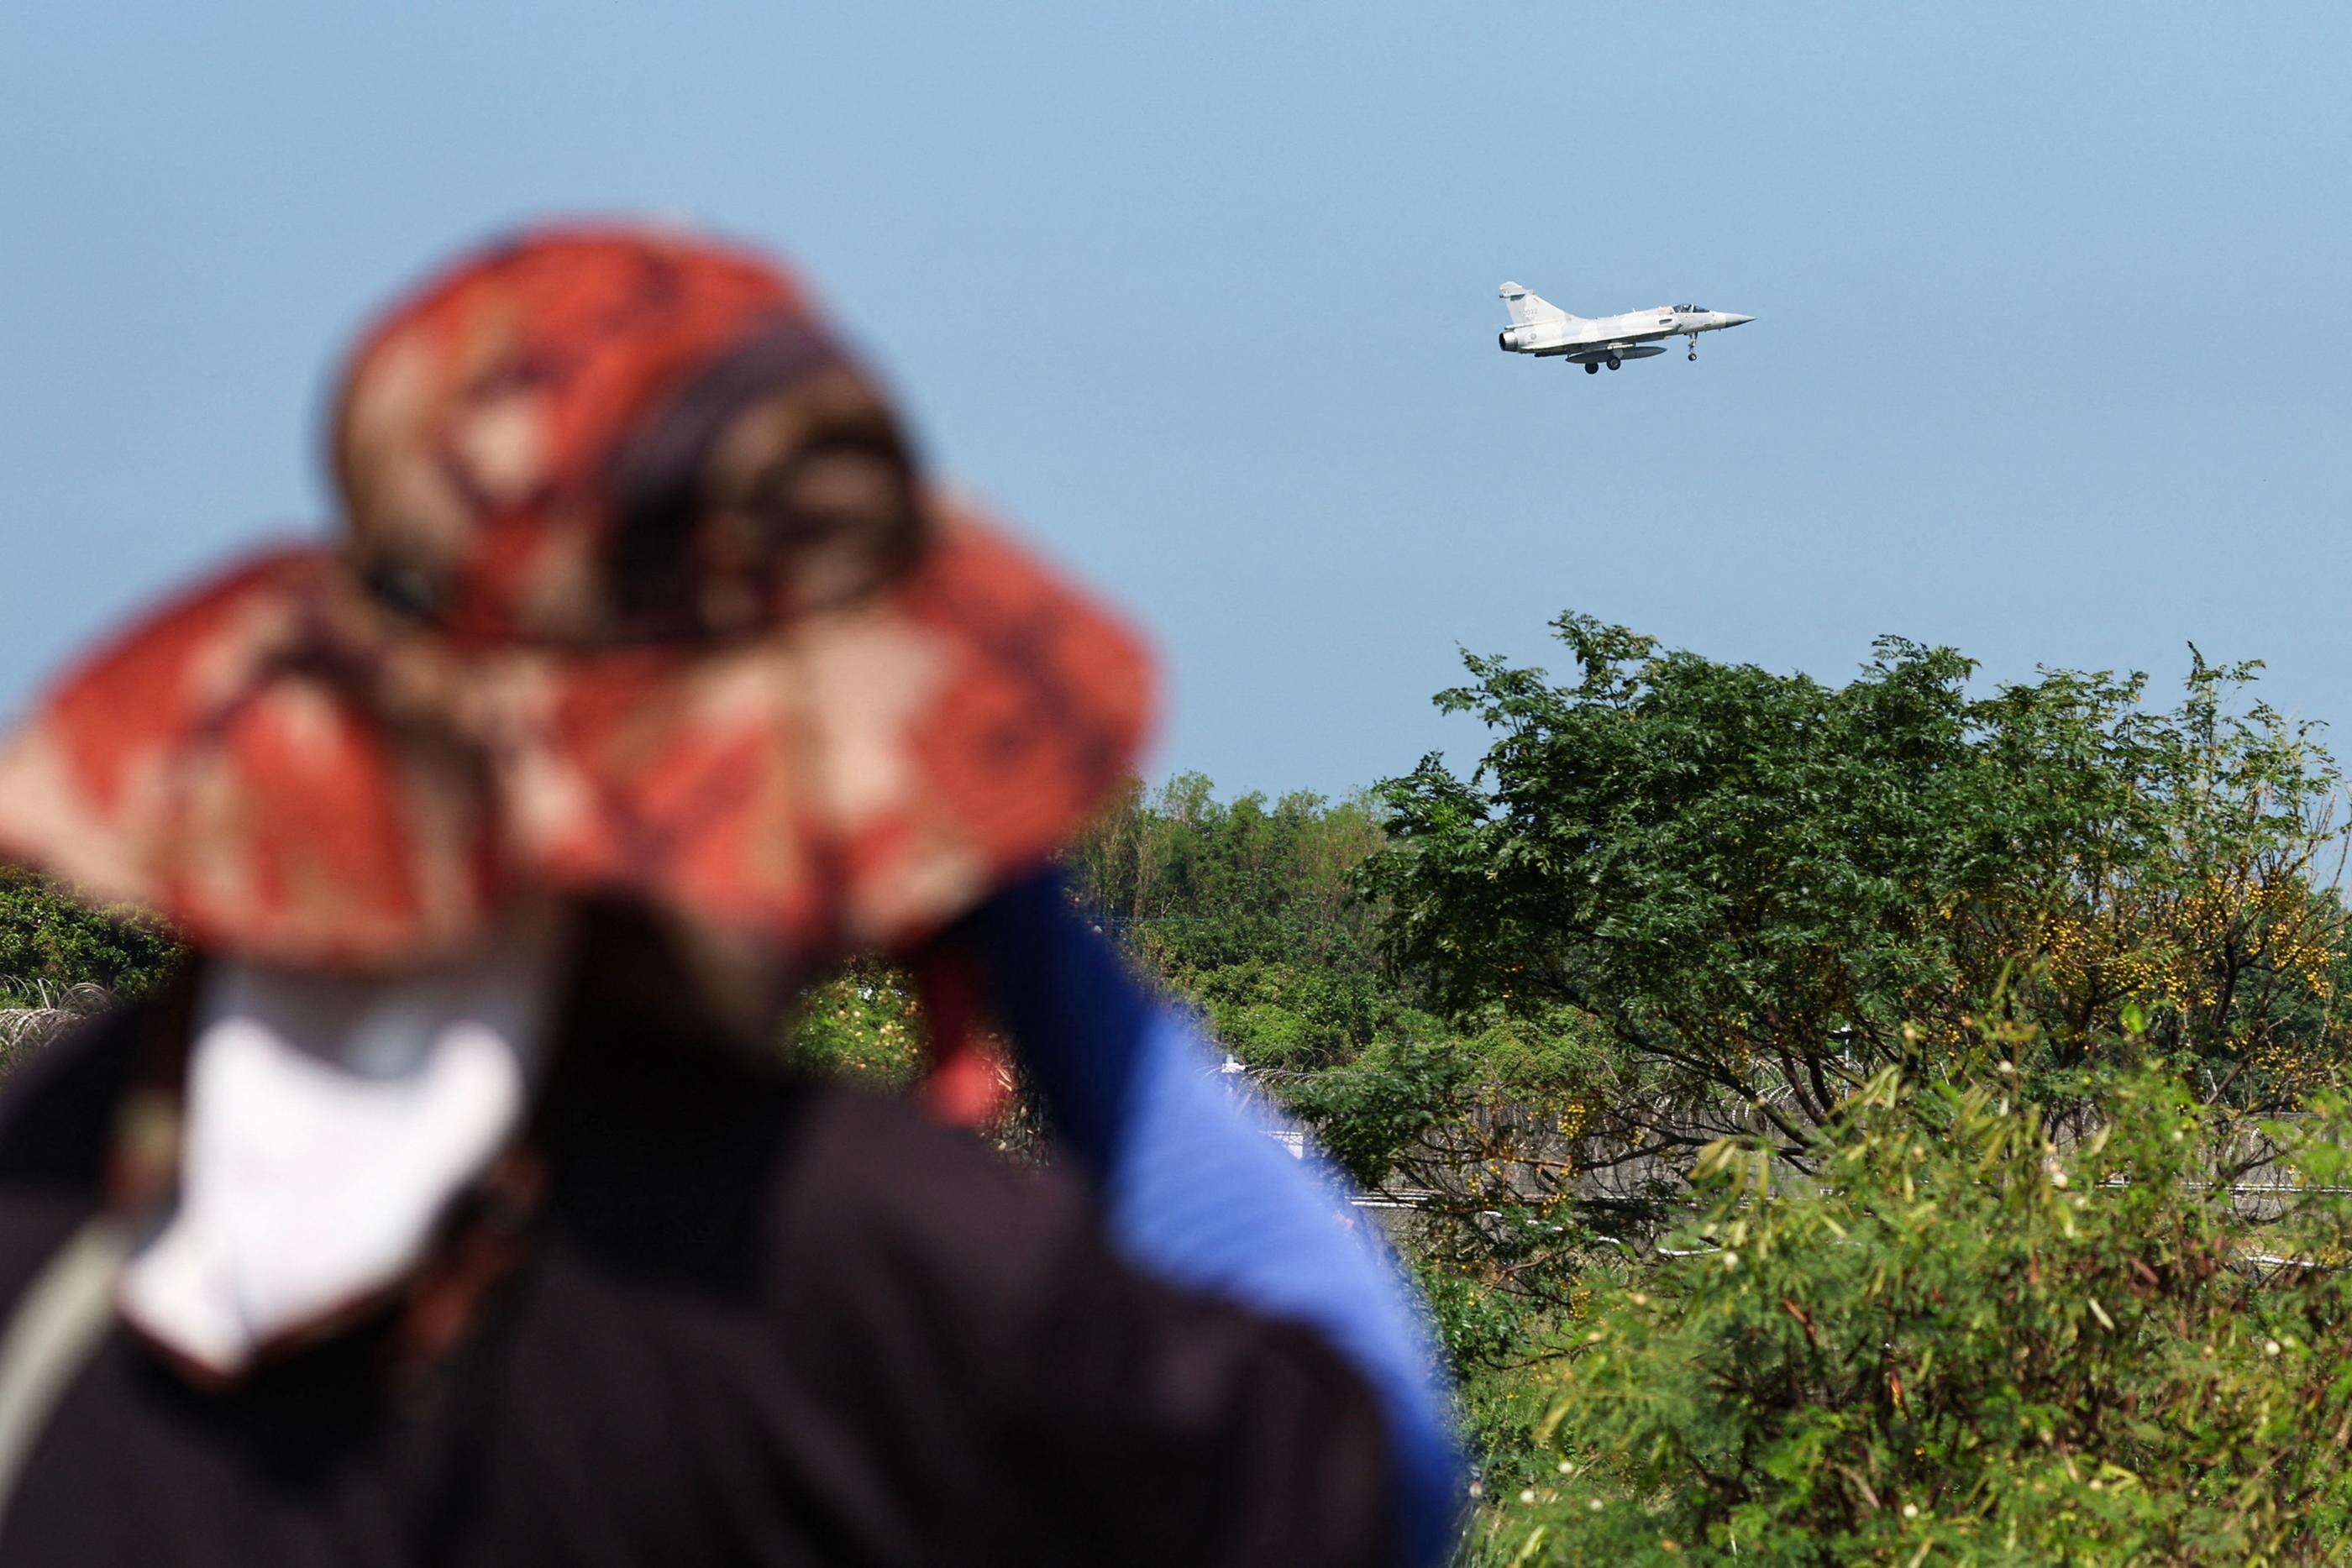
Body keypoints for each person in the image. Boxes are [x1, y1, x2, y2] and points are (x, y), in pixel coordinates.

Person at [0, 224, 1462, 1565]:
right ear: (815, 774)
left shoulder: (65, 1151)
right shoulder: (857, 1261)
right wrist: (1030, 931)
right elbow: (1380, 1459)